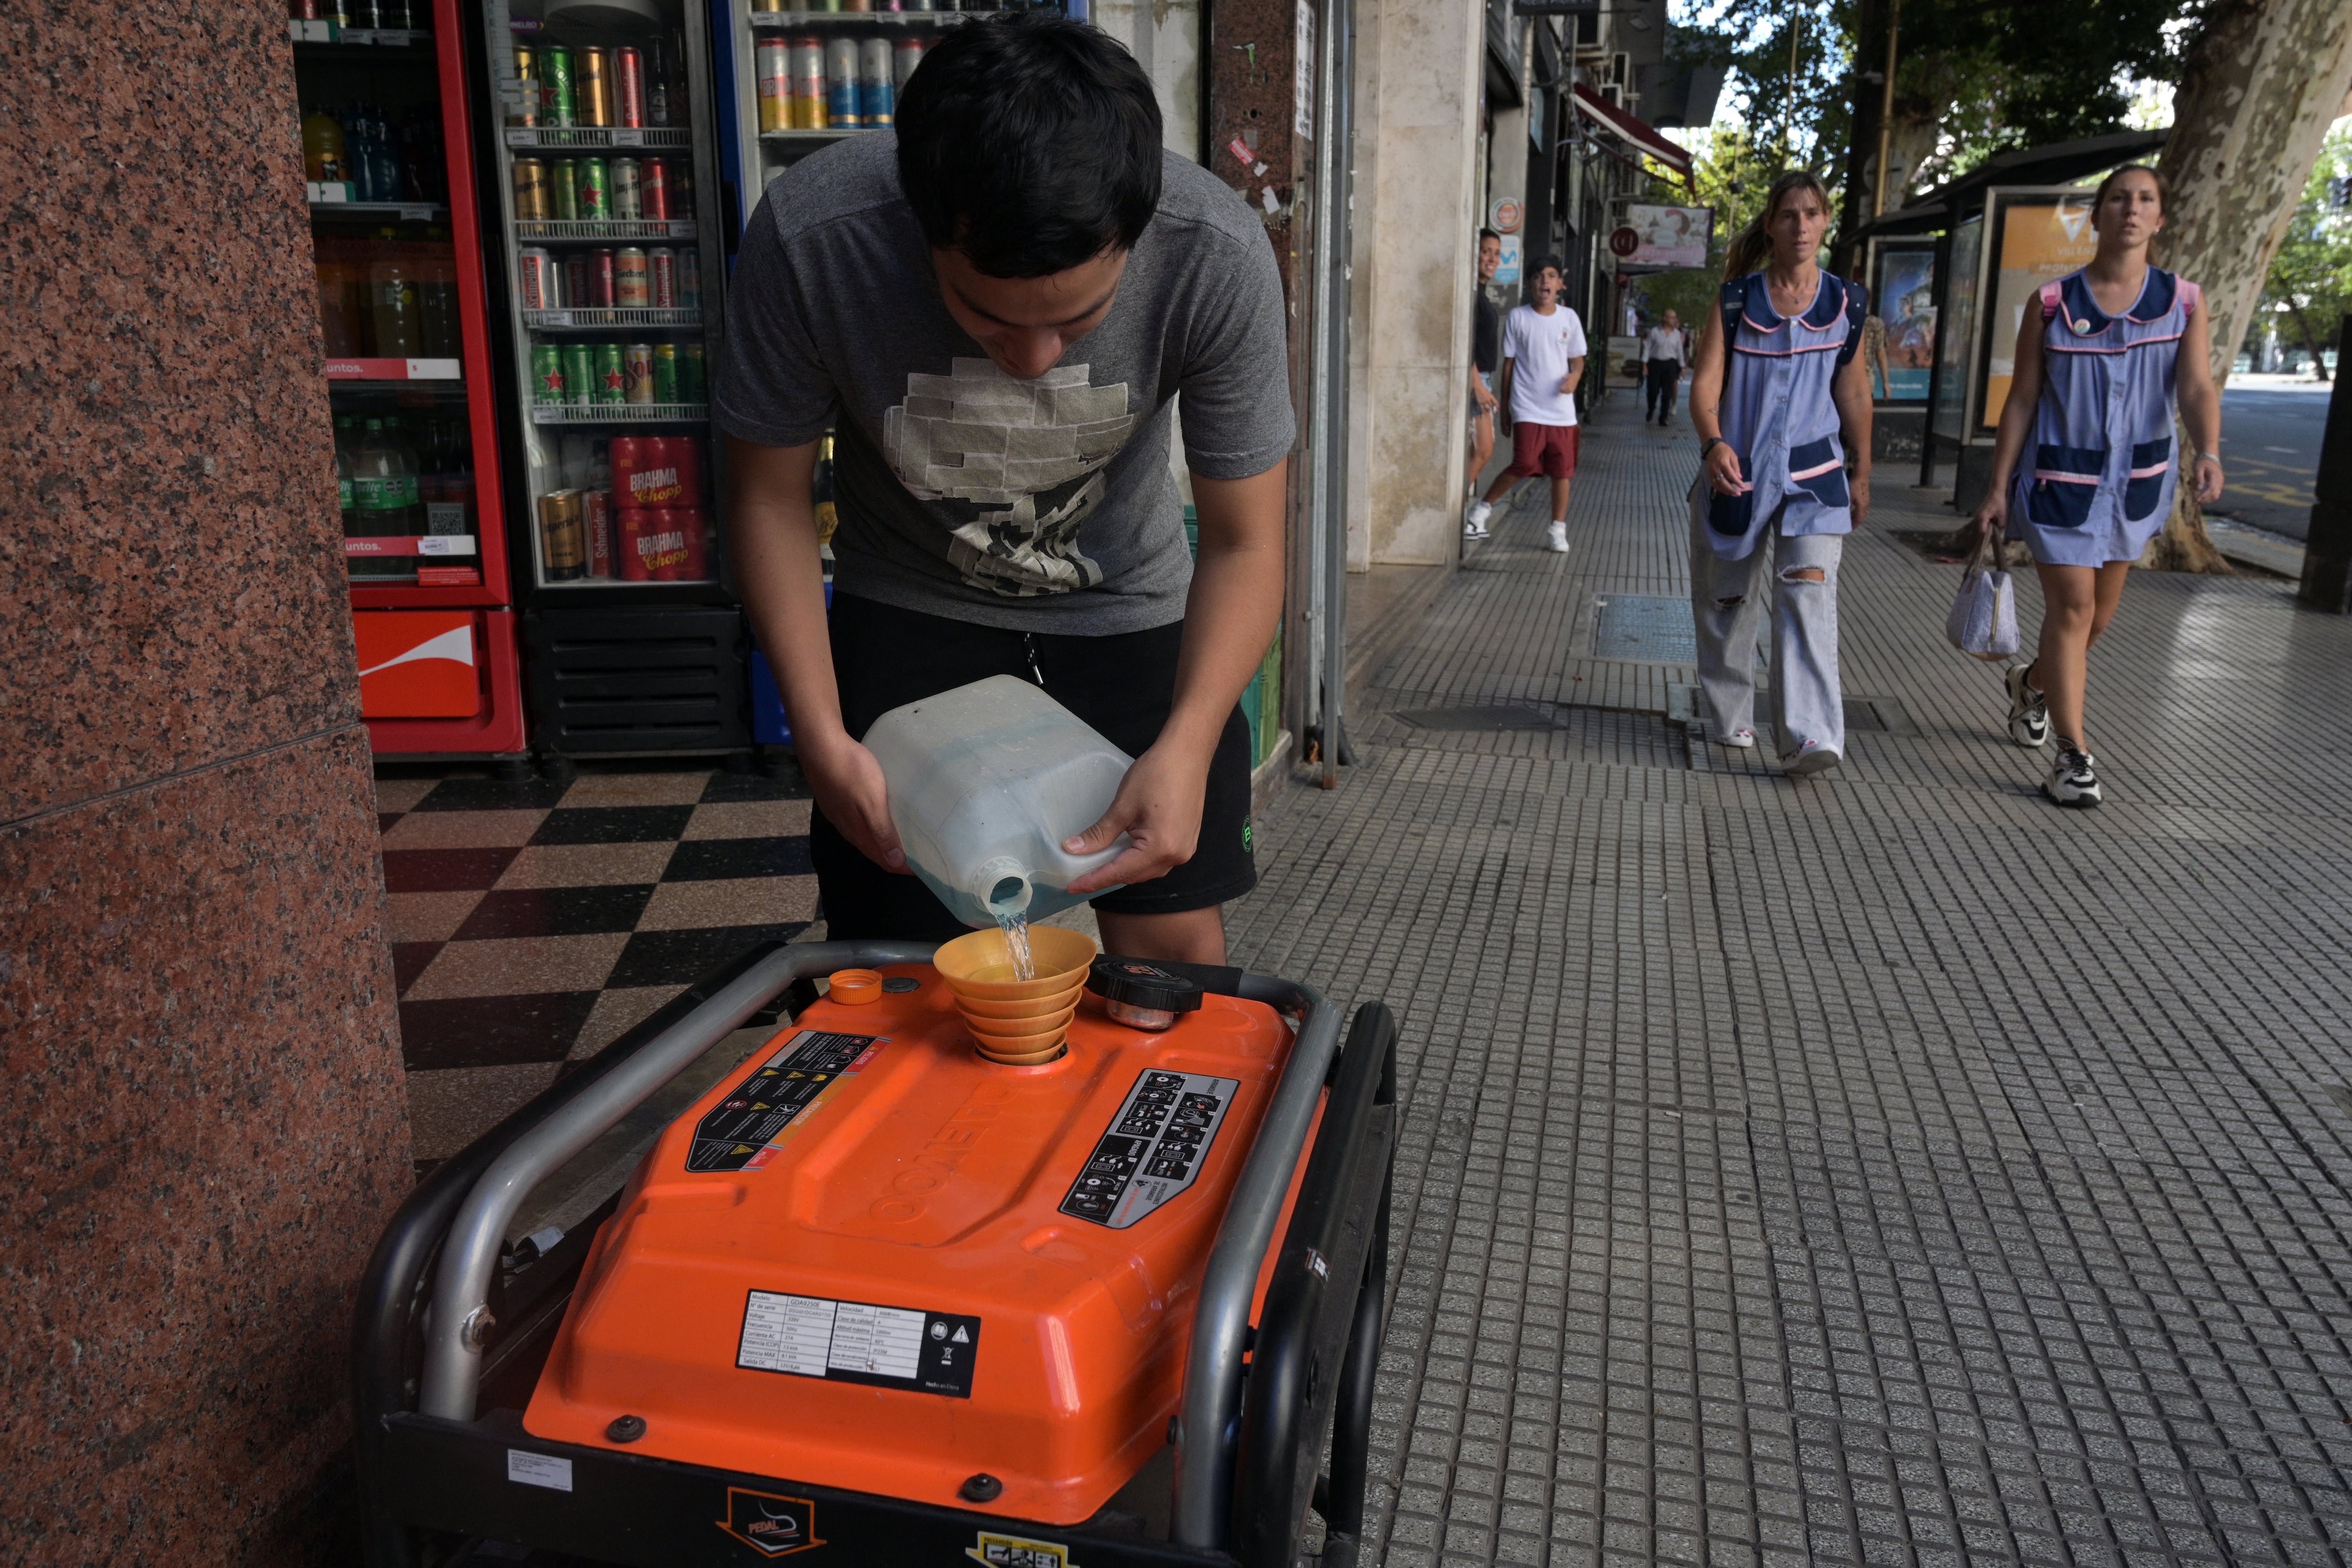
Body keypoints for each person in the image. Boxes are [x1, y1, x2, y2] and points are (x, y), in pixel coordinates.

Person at [715, 15, 1293, 962]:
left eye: (1079, 321)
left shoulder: (1213, 252)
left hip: (1129, 612)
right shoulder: (817, 236)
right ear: (921, 219)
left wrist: (1190, 743)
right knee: (903, 974)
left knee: (1172, 961)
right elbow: (768, 497)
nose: (1030, 360)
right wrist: (818, 734)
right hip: (908, 612)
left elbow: (1247, 541)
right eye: (984, 318)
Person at [1971, 165, 2221, 807]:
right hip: (2060, 483)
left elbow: (2194, 387)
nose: (2131, 210)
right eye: (2118, 199)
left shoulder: (2183, 302)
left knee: (2096, 620)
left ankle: (2032, 683)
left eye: (2145, 200)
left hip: (2134, 487)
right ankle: (2073, 754)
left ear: (2159, 218)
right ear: (2097, 214)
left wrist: (2210, 450)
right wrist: (1998, 487)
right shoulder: (2053, 305)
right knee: (2074, 610)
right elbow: (2022, 399)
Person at [1685, 171, 1872, 776]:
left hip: (1814, 480)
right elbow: (1706, 384)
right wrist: (1713, 444)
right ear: (1770, 223)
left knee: (1806, 596)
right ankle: (1728, 712)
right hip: (1735, 475)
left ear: (1824, 222)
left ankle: (1809, 736)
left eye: (1812, 214)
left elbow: (1853, 392)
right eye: (1788, 215)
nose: (1800, 226)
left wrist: (1861, 471)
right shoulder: (1737, 299)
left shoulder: (1845, 303)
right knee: (1726, 598)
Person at [1462, 259, 1586, 554]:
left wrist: (1576, 378)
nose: (1545, 281)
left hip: (1562, 412)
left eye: (1552, 276)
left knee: (1562, 472)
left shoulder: (1569, 318)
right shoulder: (1518, 318)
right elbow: (1509, 367)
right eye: (1539, 276)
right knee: (1526, 463)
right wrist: (1505, 410)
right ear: (1530, 284)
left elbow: (1578, 360)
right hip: (1527, 406)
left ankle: (1558, 528)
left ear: (1560, 284)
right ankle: (1481, 509)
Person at [1465, 228, 1504, 540]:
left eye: (1496, 253)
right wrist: (1478, 384)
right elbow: (1466, 344)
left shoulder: (1480, 292)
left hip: (1483, 379)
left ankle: (1457, 516)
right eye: (1485, 251)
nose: (1491, 258)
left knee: (1476, 451)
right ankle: (1453, 515)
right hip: (1476, 380)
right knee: (1484, 450)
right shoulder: (1471, 294)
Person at [1642, 308, 1685, 425]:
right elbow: (1647, 348)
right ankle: (1651, 409)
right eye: (1672, 317)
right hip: (1656, 363)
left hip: (1670, 364)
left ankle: (1663, 417)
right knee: (1653, 390)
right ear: (1665, 319)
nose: (1674, 320)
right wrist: (1645, 364)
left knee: (1667, 392)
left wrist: (1682, 367)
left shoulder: (1677, 334)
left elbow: (1679, 351)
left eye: (1675, 317)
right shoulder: (1655, 332)